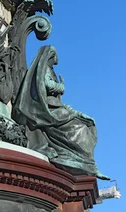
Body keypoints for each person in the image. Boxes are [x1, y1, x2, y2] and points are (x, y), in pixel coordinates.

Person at [13, 46, 109, 178]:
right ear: (51, 56)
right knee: (80, 130)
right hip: (48, 112)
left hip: (57, 109)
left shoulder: (49, 70)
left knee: (86, 125)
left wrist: (79, 114)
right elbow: (46, 84)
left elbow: (61, 104)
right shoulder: (43, 69)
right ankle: (88, 165)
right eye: (56, 55)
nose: (58, 58)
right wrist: (61, 87)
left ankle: (89, 165)